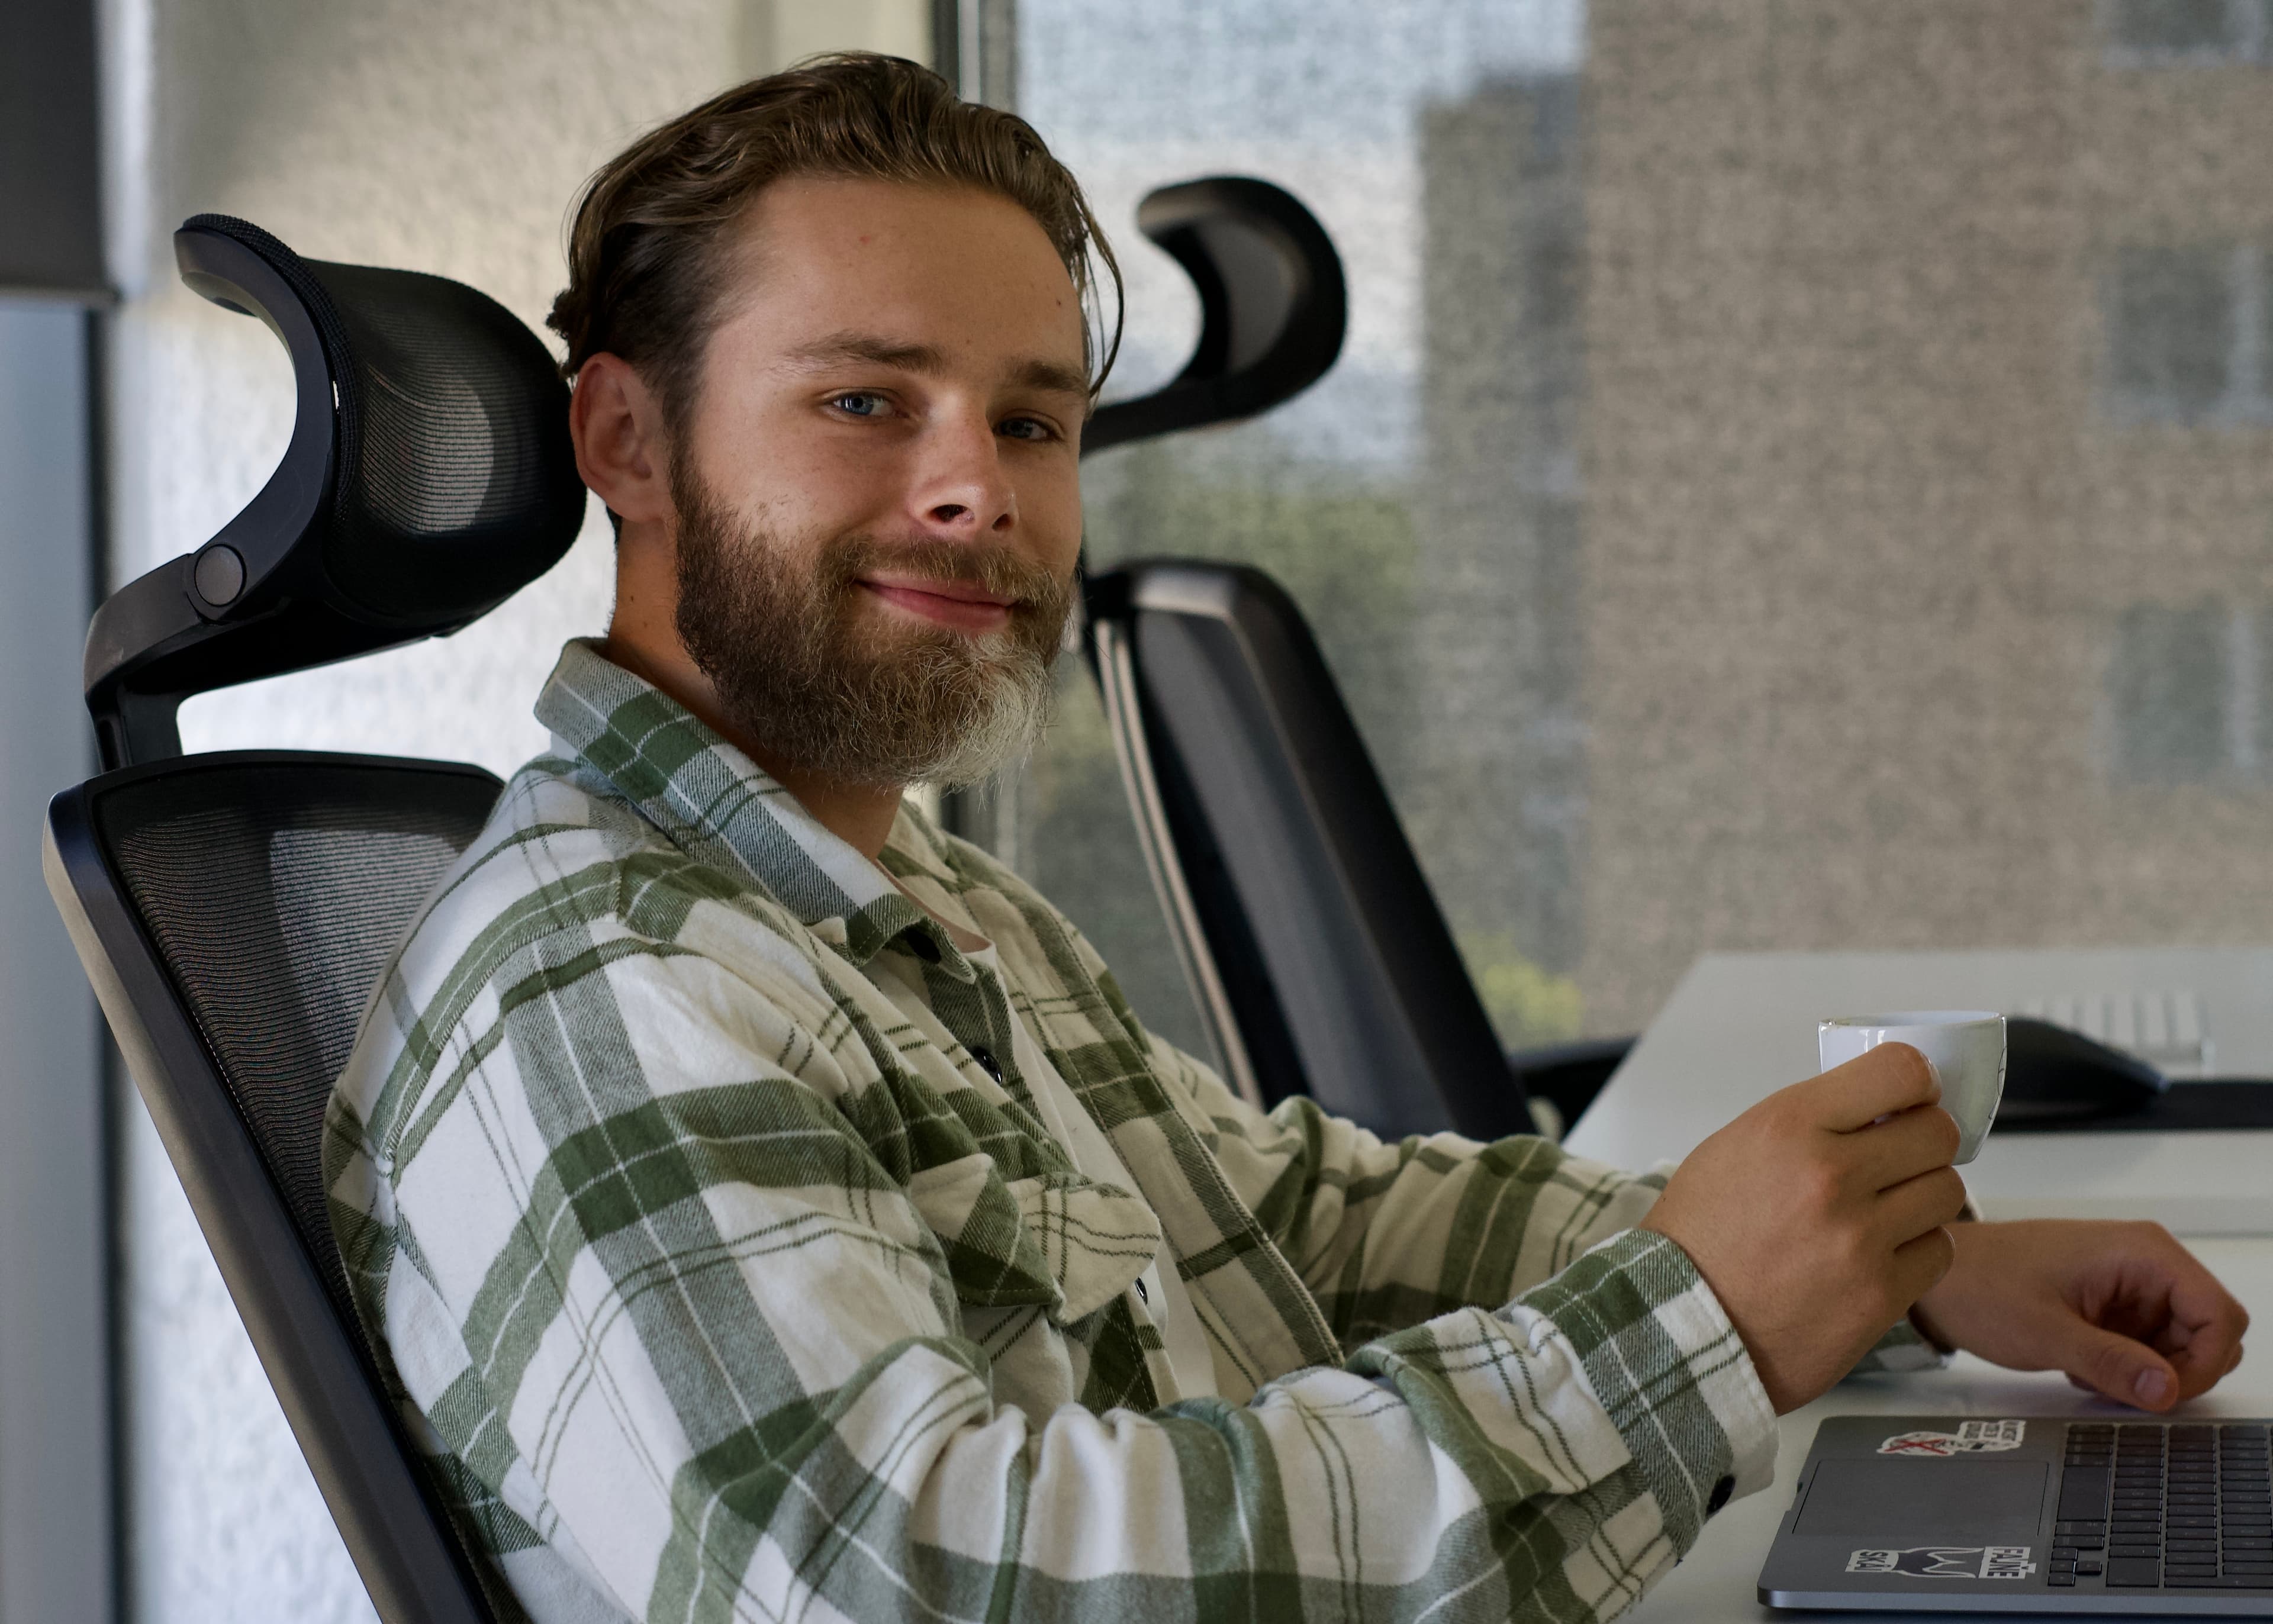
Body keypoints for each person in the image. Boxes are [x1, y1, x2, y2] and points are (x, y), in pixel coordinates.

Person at [326, 52, 2249, 1624]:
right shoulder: (602, 978)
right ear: (630, 446)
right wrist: (1702, 1319)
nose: (975, 492)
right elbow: (908, 1583)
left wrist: (1892, 1265)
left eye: (1032, 422)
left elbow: (1292, 1220)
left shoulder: (900, 898)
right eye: (863, 400)